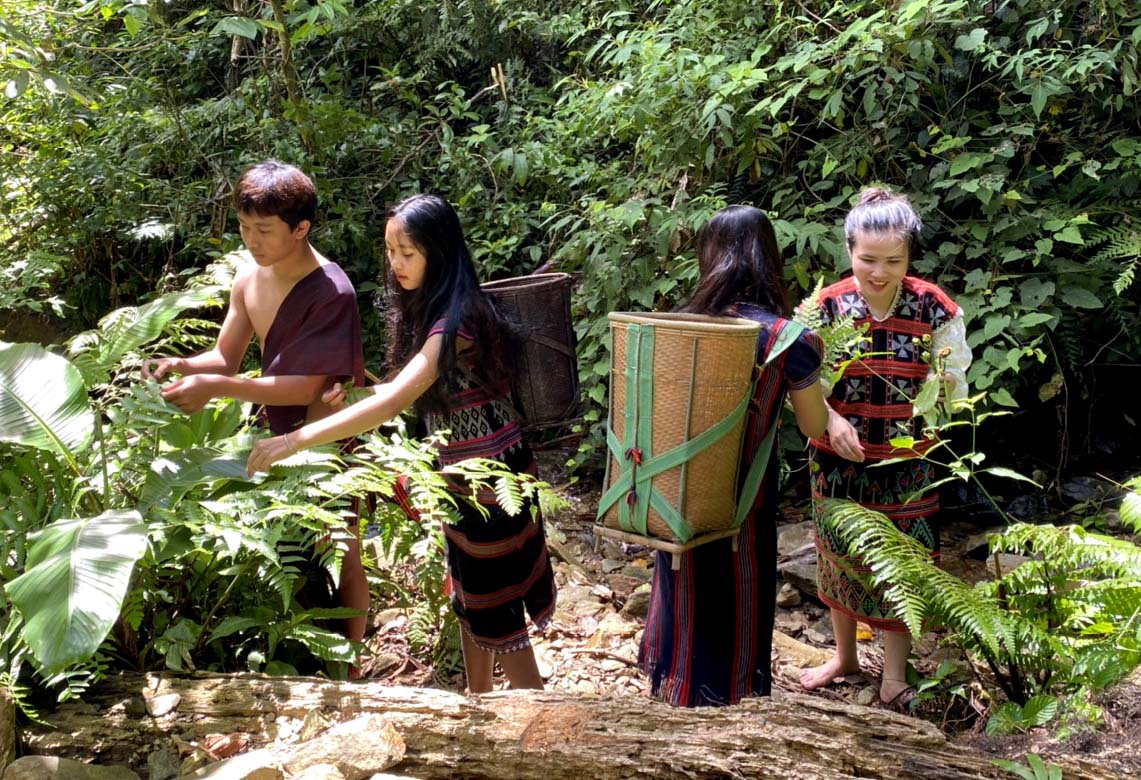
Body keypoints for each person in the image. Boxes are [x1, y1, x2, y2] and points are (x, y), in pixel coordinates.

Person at [246, 194, 556, 693]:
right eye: (390, 252)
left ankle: (538, 726)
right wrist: (355, 394)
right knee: (470, 602)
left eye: (408, 252)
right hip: (463, 482)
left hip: (493, 485)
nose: (397, 264)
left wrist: (293, 441)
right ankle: (477, 705)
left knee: (497, 613)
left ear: (440, 251)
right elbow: (398, 390)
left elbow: (395, 402)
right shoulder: (436, 308)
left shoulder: (459, 319)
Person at [141, 160, 369, 644]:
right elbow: (225, 357)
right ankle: (309, 654)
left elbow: (306, 386)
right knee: (292, 548)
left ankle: (350, 662)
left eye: (264, 230)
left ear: (301, 227)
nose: (252, 240)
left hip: (323, 431)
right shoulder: (247, 278)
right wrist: (179, 365)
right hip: (275, 432)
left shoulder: (332, 291)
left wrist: (218, 389)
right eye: (245, 227)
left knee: (342, 545)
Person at [638, 205, 830, 707]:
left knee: (683, 580)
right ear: (768, 259)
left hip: (675, 487)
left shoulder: (680, 326)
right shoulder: (790, 339)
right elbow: (814, 425)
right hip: (745, 497)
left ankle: (675, 687)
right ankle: (731, 699)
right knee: (738, 590)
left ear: (710, 258)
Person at [798, 187, 971, 707]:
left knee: (907, 562)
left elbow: (952, 384)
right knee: (837, 556)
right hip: (837, 458)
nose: (878, 272)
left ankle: (895, 672)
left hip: (908, 462)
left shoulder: (933, 306)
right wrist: (830, 419)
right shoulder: (824, 307)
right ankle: (844, 656)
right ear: (848, 250)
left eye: (893, 261)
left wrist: (924, 424)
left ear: (910, 256)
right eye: (867, 259)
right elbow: (800, 383)